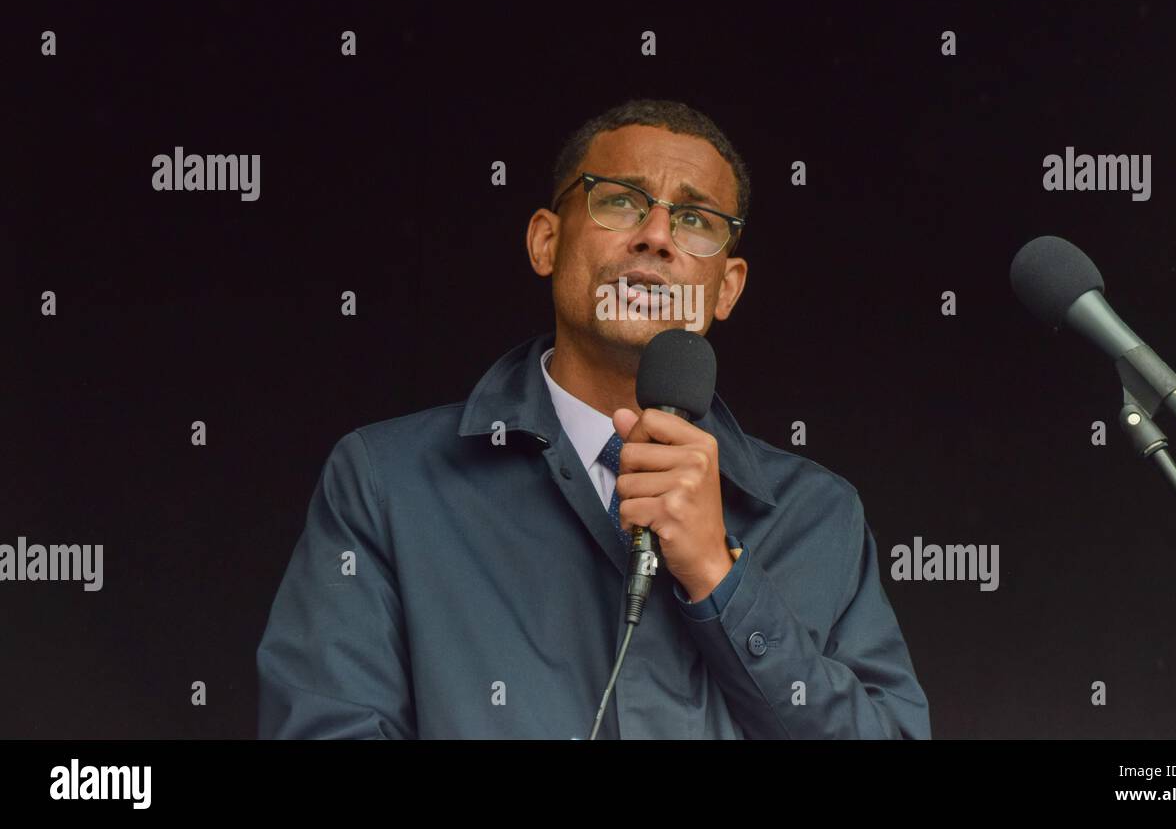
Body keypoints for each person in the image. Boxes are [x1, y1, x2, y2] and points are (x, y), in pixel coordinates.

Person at [256, 98, 930, 739]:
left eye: (696, 221)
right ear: (546, 241)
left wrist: (721, 578)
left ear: (727, 288)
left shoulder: (818, 515)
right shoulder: (388, 483)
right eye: (620, 200)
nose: (658, 236)